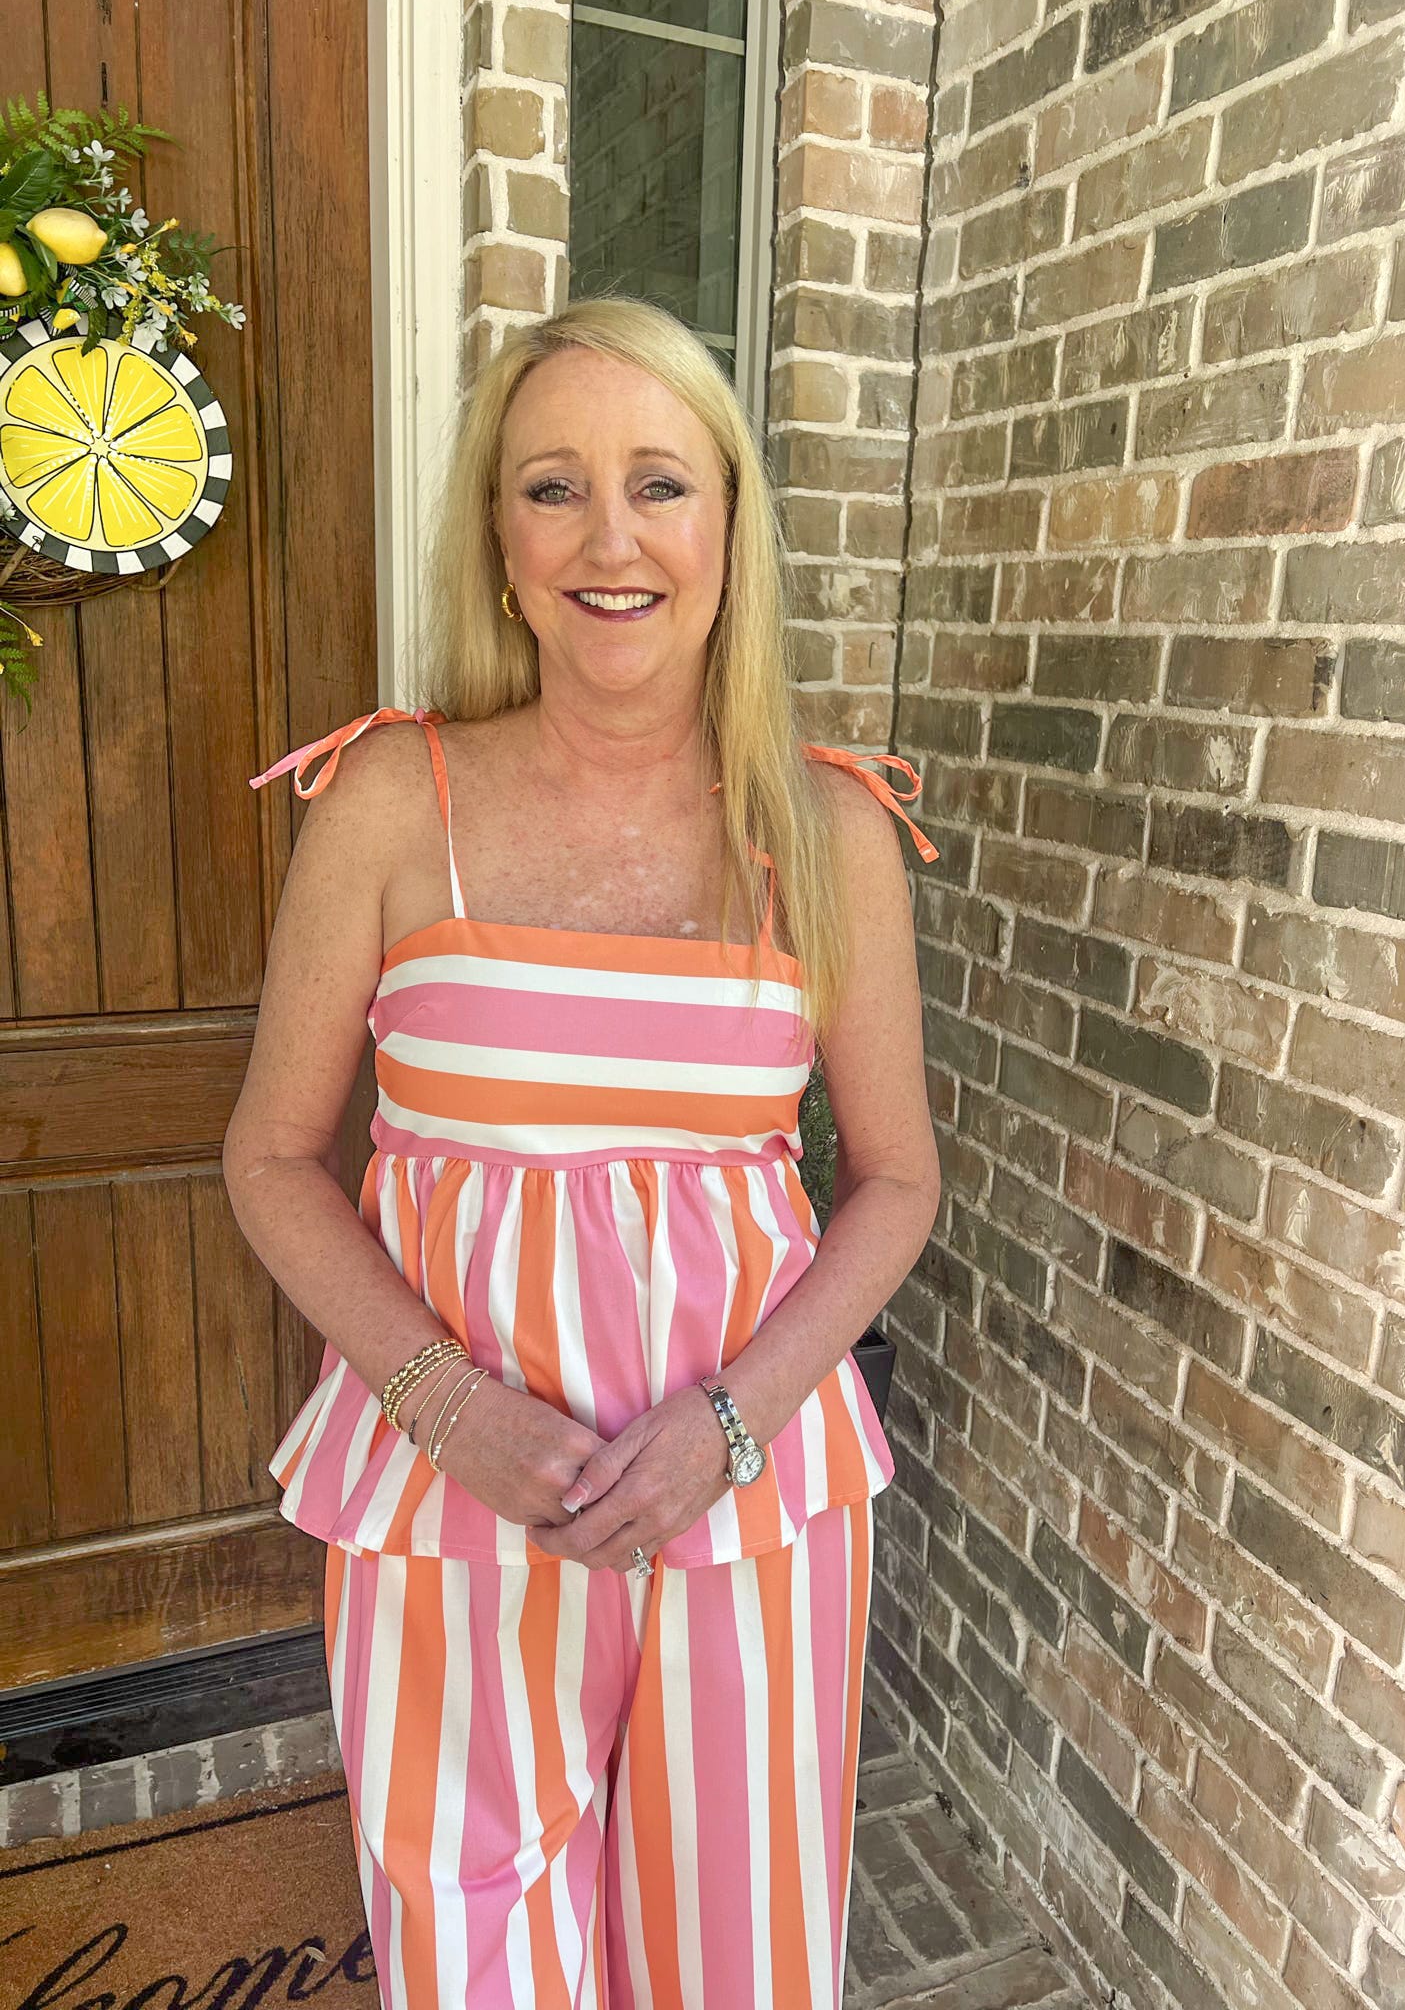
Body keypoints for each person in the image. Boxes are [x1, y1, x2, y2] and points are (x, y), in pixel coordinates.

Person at [223, 295, 940, 2010]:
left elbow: (898, 1179)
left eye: (659, 484)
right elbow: (271, 1158)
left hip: (746, 1496)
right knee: (471, 1947)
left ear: (730, 527)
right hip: (449, 1491)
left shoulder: (828, 829)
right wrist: (450, 1410)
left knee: (735, 1950)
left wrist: (728, 1427)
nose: (611, 538)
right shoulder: (391, 801)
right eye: (554, 487)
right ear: (500, 536)